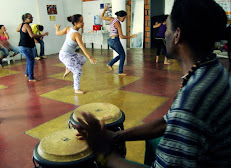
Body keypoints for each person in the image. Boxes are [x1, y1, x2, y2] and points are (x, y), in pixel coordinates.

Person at [75, 0, 231, 167]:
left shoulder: (193, 99)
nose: (165, 34)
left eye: (167, 28)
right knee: (152, 140)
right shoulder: (213, 69)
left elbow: (183, 115)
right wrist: (116, 136)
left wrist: (104, 153)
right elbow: (168, 121)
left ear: (177, 35)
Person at [55, 14, 96, 94]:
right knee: (77, 70)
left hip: (70, 54)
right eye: (81, 22)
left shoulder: (68, 29)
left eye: (82, 21)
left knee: (82, 59)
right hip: (65, 55)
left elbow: (57, 33)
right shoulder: (76, 34)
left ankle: (69, 68)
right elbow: (82, 48)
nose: (83, 23)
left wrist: (57, 28)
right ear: (75, 23)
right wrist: (90, 57)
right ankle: (76, 89)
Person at [101, 6, 136, 76]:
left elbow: (102, 17)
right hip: (115, 41)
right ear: (120, 17)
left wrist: (104, 10)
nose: (124, 19)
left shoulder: (111, 19)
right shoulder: (118, 23)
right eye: (123, 18)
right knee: (122, 55)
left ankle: (110, 64)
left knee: (121, 54)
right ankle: (120, 72)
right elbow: (122, 36)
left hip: (110, 41)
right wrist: (131, 37)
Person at [16, 13, 48, 81]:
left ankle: (27, 73)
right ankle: (31, 77)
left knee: (29, 60)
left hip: (23, 46)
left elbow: (17, 30)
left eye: (32, 17)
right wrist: (43, 35)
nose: (32, 19)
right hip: (25, 47)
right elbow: (32, 36)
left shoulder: (21, 25)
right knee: (31, 60)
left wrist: (24, 32)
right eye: (30, 18)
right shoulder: (27, 26)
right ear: (25, 19)